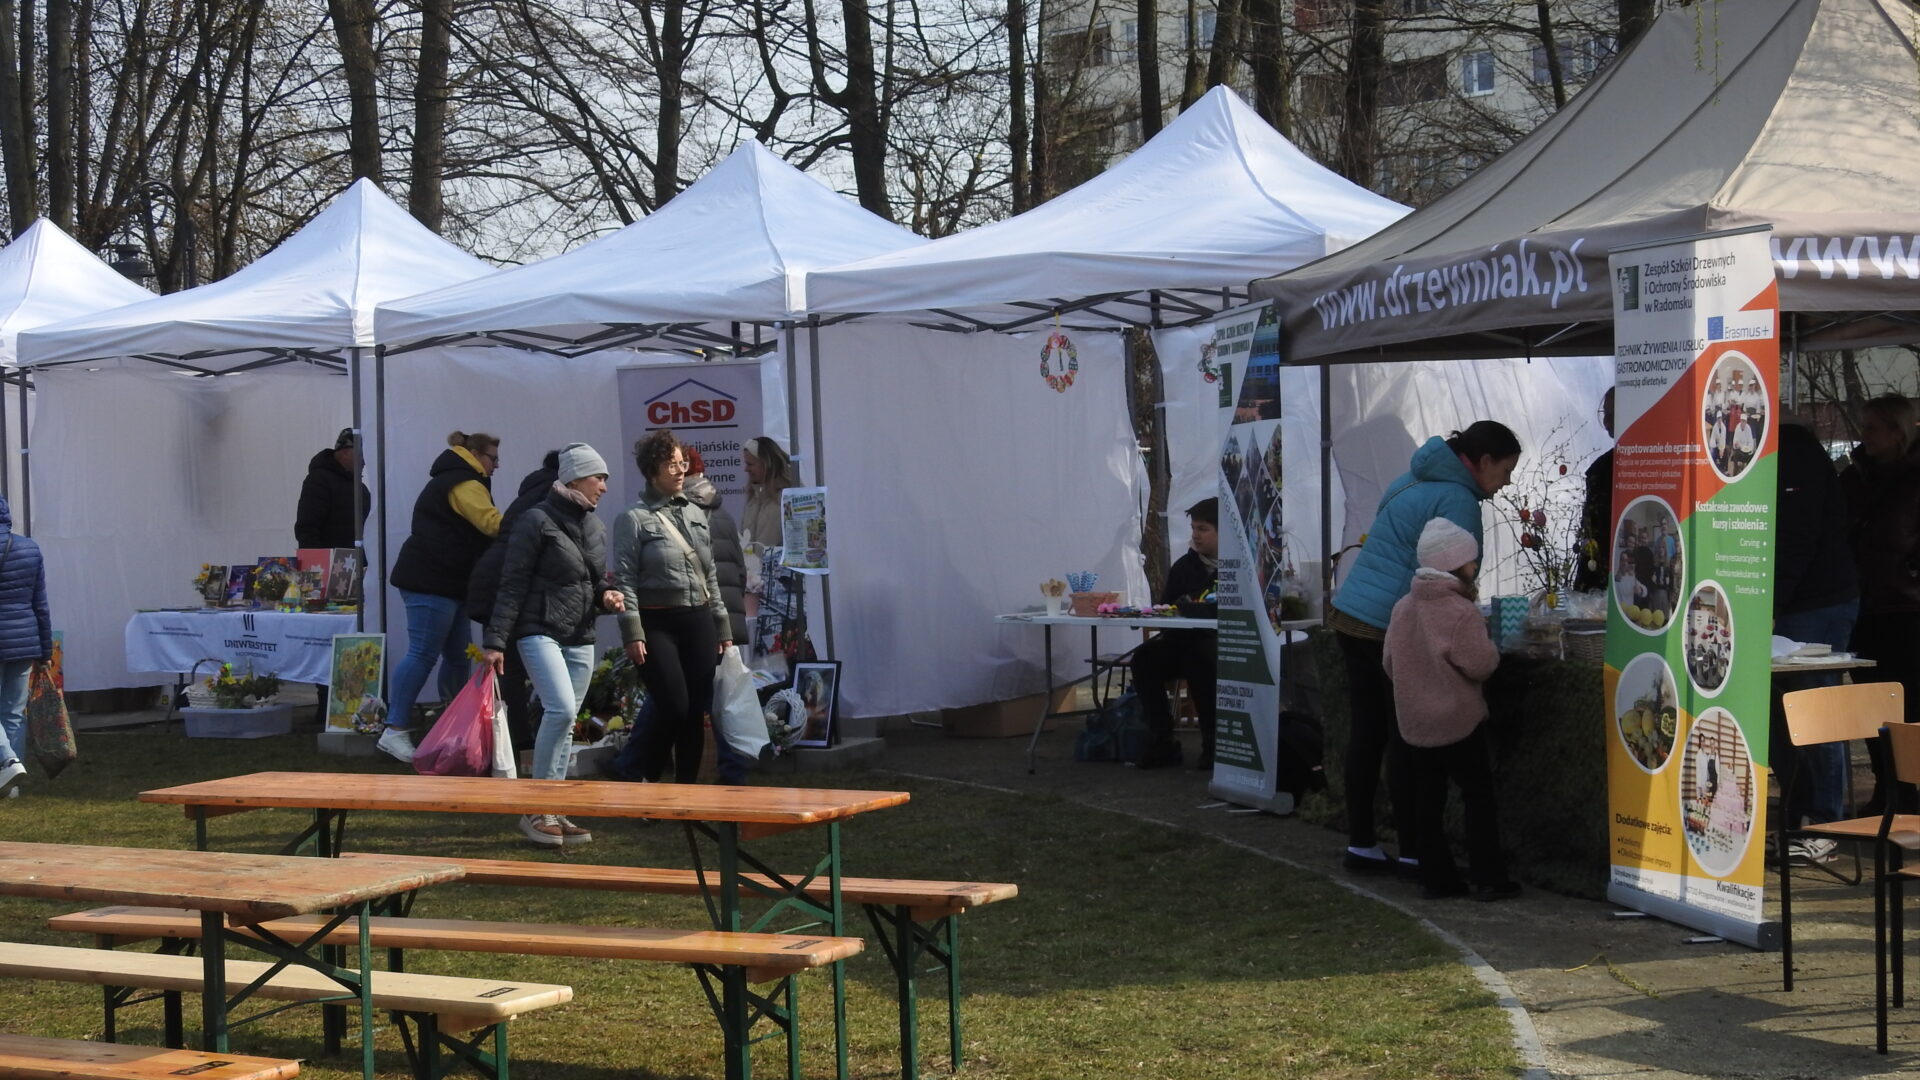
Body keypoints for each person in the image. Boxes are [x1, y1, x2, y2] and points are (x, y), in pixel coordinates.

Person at [1327, 420, 1520, 876]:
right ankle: (1416, 852)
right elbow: (1453, 578)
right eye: (1506, 470)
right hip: (1388, 623)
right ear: (1484, 461)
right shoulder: (1458, 500)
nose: (1507, 482)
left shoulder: (1411, 477)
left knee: (1366, 734)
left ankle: (1362, 844)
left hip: (1353, 612)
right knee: (1406, 739)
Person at [482, 444, 623, 847]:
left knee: (566, 719)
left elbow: (592, 581)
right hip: (538, 629)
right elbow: (512, 582)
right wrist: (496, 640)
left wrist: (606, 596)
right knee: (559, 709)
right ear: (575, 477)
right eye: (599, 477)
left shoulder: (595, 526)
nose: (604, 486)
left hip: (581, 634)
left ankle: (554, 808)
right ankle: (537, 807)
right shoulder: (535, 520)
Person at [1382, 518, 1518, 901]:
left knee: (1427, 799)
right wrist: (1494, 652)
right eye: (1471, 560)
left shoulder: (1403, 608)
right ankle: (1488, 877)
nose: (1475, 565)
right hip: (1458, 719)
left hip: (1416, 721)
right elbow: (1480, 665)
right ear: (1457, 565)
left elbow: (1389, 662)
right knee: (1477, 795)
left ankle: (1436, 878)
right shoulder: (1460, 612)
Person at [614, 431, 732, 783]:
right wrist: (632, 632)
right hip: (656, 623)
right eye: (671, 464)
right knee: (674, 706)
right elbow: (625, 579)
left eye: (682, 463)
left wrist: (722, 625)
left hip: (698, 619)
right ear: (652, 470)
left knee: (695, 711)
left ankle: (686, 795)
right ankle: (648, 782)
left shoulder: (696, 512)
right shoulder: (632, 518)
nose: (680, 470)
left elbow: (709, 573)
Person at [380, 431, 503, 763]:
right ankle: (394, 729)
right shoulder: (464, 482)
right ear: (474, 454)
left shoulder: (455, 478)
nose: (496, 465)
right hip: (431, 580)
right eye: (493, 458)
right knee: (422, 653)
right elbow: (492, 524)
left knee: (458, 656)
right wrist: (527, 523)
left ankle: (452, 724)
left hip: (448, 582)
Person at [1771, 422, 1860, 864]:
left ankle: (1825, 823)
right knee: (1783, 717)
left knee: (1816, 714)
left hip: (1815, 601)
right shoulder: (1778, 449)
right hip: (1792, 600)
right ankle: (1800, 813)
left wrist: (1770, 604)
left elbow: (1796, 537)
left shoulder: (1793, 451)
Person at [1843, 394, 1920, 814]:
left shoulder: (1912, 478)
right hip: (1864, 606)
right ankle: (1887, 787)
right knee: (1871, 703)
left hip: (1907, 610)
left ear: (1896, 430)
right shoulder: (1855, 477)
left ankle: (1908, 787)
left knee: (1908, 705)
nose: (1864, 435)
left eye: (1873, 427)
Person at [468, 449, 561, 754]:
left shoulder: (531, 492)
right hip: (505, 584)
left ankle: (510, 740)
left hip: (490, 578)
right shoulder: (553, 497)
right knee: (510, 667)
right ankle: (517, 741)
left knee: (508, 667)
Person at [1129, 498, 1219, 770]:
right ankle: (1162, 741)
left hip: (1222, 645)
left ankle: (1214, 747)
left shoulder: (1241, 568)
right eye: (1193, 528)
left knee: (1201, 660)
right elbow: (1166, 610)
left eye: (1203, 529)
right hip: (1182, 642)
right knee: (1144, 659)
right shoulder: (1184, 567)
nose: (1195, 535)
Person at [682, 451, 755, 784]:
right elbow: (739, 570)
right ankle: (733, 768)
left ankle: (731, 768)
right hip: (727, 617)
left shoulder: (684, 513)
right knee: (721, 696)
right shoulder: (722, 512)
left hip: (702, 618)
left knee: (697, 696)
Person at [0, 495, 50, 797]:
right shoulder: (30, 548)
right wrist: (45, 651)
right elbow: (40, 604)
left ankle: (7, 761)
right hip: (23, 640)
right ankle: (12, 785)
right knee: (13, 712)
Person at [295, 427, 370, 549]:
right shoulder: (318, 480)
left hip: (357, 559)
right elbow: (307, 528)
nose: (364, 461)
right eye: (361, 455)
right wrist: (316, 559)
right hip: (328, 559)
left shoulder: (361, 489)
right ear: (345, 451)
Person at [1573, 389, 1615, 593]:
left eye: (1612, 415)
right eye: (1605, 414)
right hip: (1599, 577)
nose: (1607, 422)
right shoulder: (1601, 469)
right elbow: (1591, 530)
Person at [741, 436, 796, 550]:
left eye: (750, 464)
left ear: (766, 464)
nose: (746, 469)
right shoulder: (753, 499)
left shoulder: (789, 497)